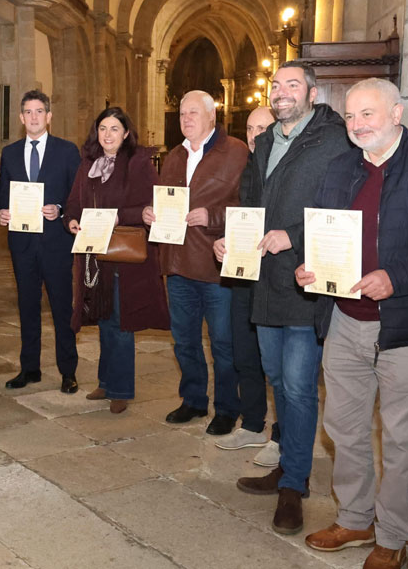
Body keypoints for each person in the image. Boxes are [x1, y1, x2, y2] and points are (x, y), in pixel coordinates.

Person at [296, 79, 408, 569]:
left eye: (368, 115)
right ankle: (355, 517)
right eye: (350, 117)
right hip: (346, 320)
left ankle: (393, 534)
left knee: (400, 435)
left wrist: (394, 277)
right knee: (344, 427)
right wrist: (310, 266)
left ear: (396, 112)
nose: (357, 126)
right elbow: (326, 234)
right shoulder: (339, 168)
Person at [215, 61, 352, 535]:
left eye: (292, 85)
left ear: (312, 94)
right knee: (275, 377)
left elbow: (342, 206)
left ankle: (294, 483)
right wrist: (233, 239)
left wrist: (291, 236)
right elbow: (250, 202)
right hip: (262, 281)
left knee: (297, 384)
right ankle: (287, 464)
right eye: (276, 85)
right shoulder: (267, 141)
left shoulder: (332, 141)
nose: (281, 92)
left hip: (302, 279)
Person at [143, 91, 247, 434]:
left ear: (211, 118)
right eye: (182, 114)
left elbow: (251, 207)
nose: (186, 119)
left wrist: (212, 215)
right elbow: (166, 201)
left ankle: (228, 408)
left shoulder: (235, 153)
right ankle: (193, 400)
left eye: (194, 113)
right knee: (184, 339)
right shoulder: (173, 156)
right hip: (177, 264)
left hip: (215, 266)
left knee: (223, 343)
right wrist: (151, 213)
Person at [64, 107, 169, 413]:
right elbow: (73, 203)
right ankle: (106, 382)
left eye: (113, 129)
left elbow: (151, 207)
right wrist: (70, 221)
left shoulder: (138, 163)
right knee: (105, 319)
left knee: (122, 322)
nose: (107, 135)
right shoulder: (88, 164)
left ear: (125, 133)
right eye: (102, 129)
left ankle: (121, 389)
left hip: (125, 254)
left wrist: (113, 217)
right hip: (95, 255)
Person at [0, 90, 81, 394]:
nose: (34, 117)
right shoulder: (9, 153)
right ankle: (29, 368)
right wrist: (2, 212)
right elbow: (3, 192)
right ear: (21, 118)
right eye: (28, 112)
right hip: (21, 243)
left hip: (56, 242)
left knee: (61, 308)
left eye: (39, 111)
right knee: (27, 306)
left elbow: (77, 197)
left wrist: (59, 210)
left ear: (49, 116)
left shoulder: (67, 151)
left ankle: (68, 371)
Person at [218, 106, 281, 463]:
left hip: (276, 275)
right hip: (243, 272)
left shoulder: (285, 165)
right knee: (244, 351)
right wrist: (223, 241)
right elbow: (242, 215)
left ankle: (282, 436)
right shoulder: (248, 166)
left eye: (263, 127)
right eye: (250, 128)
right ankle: (253, 423)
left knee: (279, 365)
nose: (255, 135)